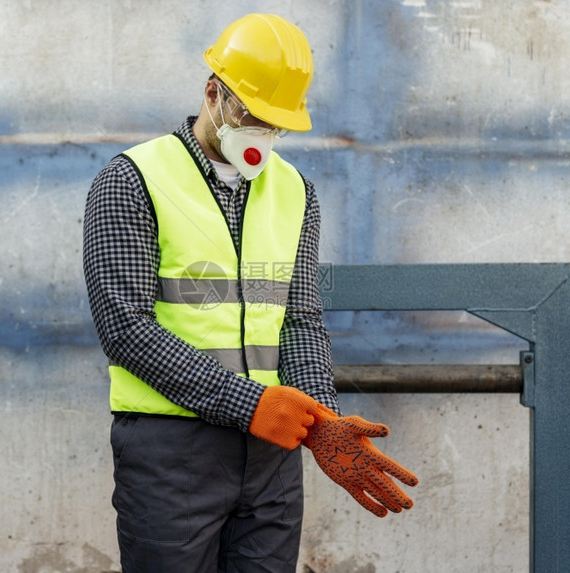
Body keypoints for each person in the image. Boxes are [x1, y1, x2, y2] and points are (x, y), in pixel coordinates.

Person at [83, 13, 418, 573]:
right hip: (171, 455)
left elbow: (298, 321)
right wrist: (251, 404)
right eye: (250, 115)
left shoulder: (295, 192)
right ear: (213, 93)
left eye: (274, 123)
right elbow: (125, 328)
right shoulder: (132, 181)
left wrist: (324, 421)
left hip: (272, 456)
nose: (260, 132)